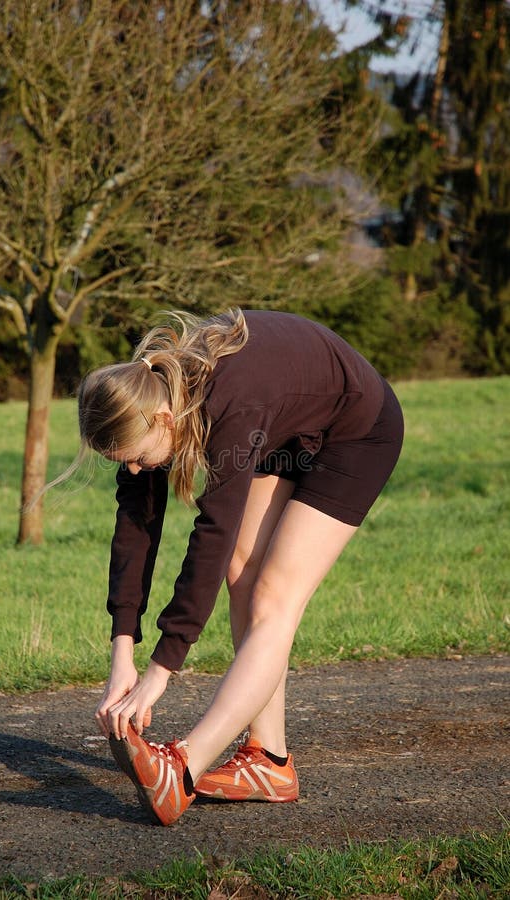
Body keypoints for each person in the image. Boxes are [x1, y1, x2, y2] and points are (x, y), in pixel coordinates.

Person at [78, 308, 404, 826]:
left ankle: (183, 766)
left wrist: (161, 669)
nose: (136, 469)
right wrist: (123, 653)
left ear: (164, 422)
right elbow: (136, 527)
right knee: (242, 572)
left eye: (136, 457)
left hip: (358, 430)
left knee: (275, 596)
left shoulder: (230, 402)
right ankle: (268, 761)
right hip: (285, 427)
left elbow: (211, 535)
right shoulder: (152, 402)